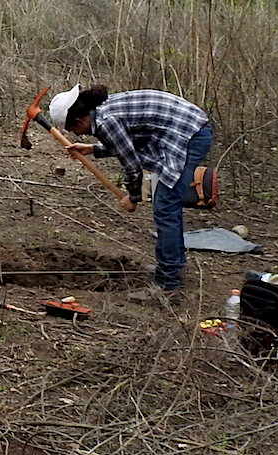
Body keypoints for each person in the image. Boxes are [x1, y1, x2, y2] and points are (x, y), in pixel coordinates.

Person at [52, 84, 213, 299]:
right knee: (166, 206)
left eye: (73, 131)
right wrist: (93, 149)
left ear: (79, 120)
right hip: (180, 131)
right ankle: (174, 265)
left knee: (165, 209)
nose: (76, 135)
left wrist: (133, 198)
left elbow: (132, 165)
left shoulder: (106, 121)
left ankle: (167, 286)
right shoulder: (101, 111)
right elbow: (127, 141)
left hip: (188, 135)